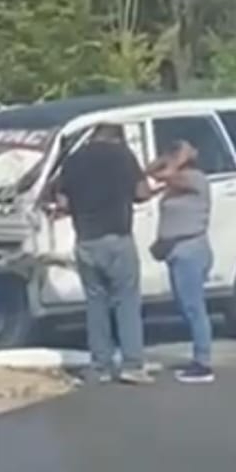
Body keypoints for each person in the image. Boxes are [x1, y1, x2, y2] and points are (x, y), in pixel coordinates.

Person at [55, 123, 154, 384]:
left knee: (95, 304)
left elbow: (63, 203)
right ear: (118, 139)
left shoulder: (74, 159)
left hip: (86, 241)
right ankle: (132, 364)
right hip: (117, 238)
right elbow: (143, 192)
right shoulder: (123, 156)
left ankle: (100, 365)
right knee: (126, 301)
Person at [148, 140, 215, 384]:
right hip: (175, 250)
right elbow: (150, 173)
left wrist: (178, 160)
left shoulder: (195, 179)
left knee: (194, 307)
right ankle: (200, 357)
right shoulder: (174, 185)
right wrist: (167, 155)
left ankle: (203, 363)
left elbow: (162, 175)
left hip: (191, 249)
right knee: (185, 306)